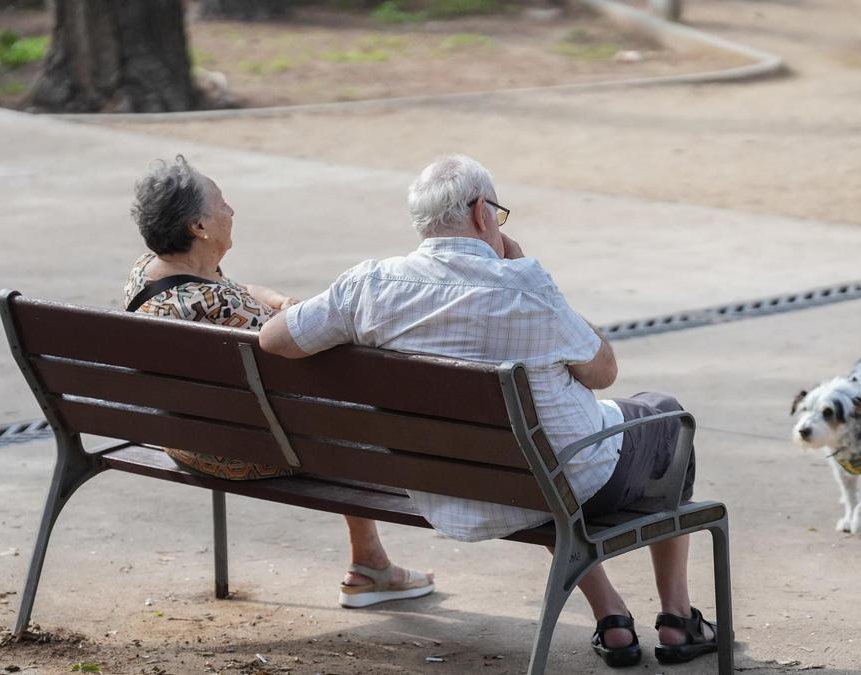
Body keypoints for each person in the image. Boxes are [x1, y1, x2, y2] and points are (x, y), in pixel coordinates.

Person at [259, 155, 717, 666]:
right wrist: (529, 275)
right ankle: (678, 619)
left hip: (451, 484)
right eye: (497, 214)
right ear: (482, 212)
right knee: (666, 419)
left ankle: (611, 616)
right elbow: (603, 371)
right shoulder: (526, 289)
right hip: (560, 480)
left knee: (535, 446)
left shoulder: (369, 285)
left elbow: (274, 339)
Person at [123, 155, 434, 609]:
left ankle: (370, 560)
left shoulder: (151, 273)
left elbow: (239, 292)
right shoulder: (222, 305)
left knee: (326, 409)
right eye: (221, 204)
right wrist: (293, 313)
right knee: (346, 408)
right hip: (248, 452)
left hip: (184, 437)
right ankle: (370, 566)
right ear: (199, 227)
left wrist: (279, 301)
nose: (231, 210)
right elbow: (302, 344)